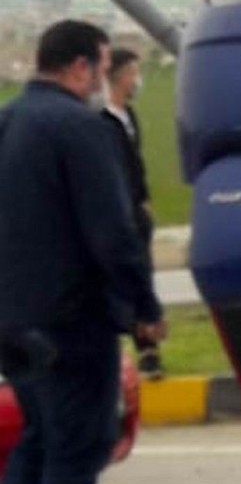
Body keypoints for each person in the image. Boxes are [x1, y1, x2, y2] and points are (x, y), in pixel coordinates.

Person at [0, 19, 166, 484]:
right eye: (101, 65)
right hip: (72, 322)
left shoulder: (9, 120)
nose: (105, 78)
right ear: (79, 67)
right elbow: (113, 235)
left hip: (13, 319)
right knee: (75, 452)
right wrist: (144, 309)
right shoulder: (80, 128)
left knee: (37, 444)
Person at [101, 46, 164, 379]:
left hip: (136, 212)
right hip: (116, 213)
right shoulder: (100, 121)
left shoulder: (129, 116)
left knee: (142, 275)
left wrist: (144, 199)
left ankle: (149, 351)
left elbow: (134, 164)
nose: (137, 80)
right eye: (134, 72)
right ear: (120, 75)